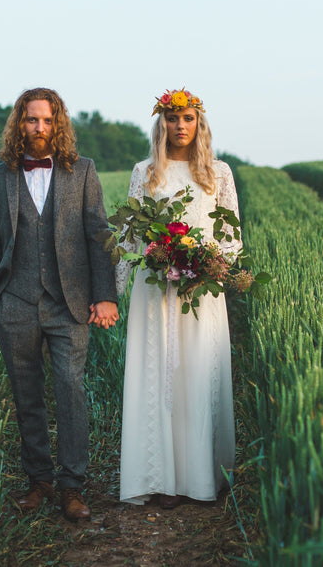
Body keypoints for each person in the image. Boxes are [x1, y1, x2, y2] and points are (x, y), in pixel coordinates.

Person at [0, 87, 119, 522]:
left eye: (46, 120)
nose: (39, 127)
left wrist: (105, 295)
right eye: (30, 119)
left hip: (69, 303)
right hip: (14, 302)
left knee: (70, 391)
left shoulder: (83, 171)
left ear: (57, 124)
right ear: (19, 124)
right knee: (26, 396)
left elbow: (100, 236)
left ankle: (72, 486)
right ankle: (38, 481)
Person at [117, 89, 240, 508]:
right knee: (160, 378)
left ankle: (199, 477)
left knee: (196, 374)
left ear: (198, 122)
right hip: (156, 291)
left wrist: (208, 265)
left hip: (200, 292)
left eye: (187, 118)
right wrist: (114, 292)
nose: (180, 126)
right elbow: (131, 234)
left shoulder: (218, 172)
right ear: (162, 124)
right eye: (172, 119)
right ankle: (163, 479)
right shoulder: (146, 170)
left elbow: (231, 234)